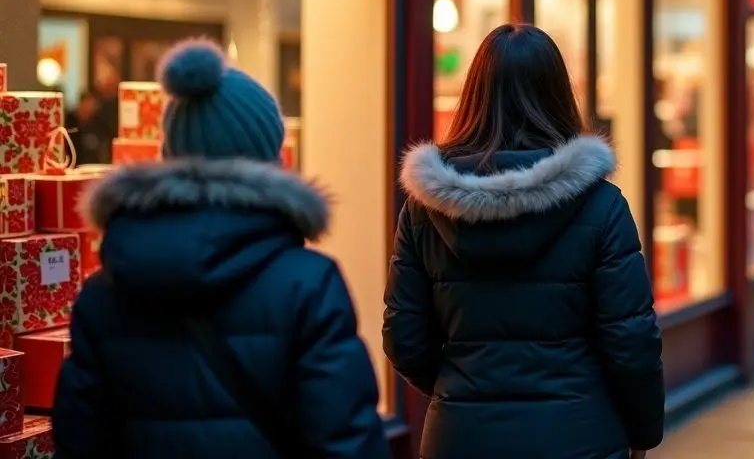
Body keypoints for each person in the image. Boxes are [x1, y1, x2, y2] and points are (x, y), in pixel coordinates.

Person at [54, 40, 387, 458]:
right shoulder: (308, 284)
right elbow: (347, 441)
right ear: (267, 158)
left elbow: (78, 442)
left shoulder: (104, 294)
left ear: (170, 153)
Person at [386, 24, 664, 459]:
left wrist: (461, 386)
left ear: (473, 95)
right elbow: (631, 340)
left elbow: (405, 339)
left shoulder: (427, 209)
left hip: (461, 438)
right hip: (578, 434)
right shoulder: (600, 205)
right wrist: (643, 433)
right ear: (558, 96)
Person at [65, 90, 113, 165]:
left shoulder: (99, 124)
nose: (90, 108)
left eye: (93, 104)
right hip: (73, 165)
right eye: (88, 103)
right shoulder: (69, 122)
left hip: (95, 167)